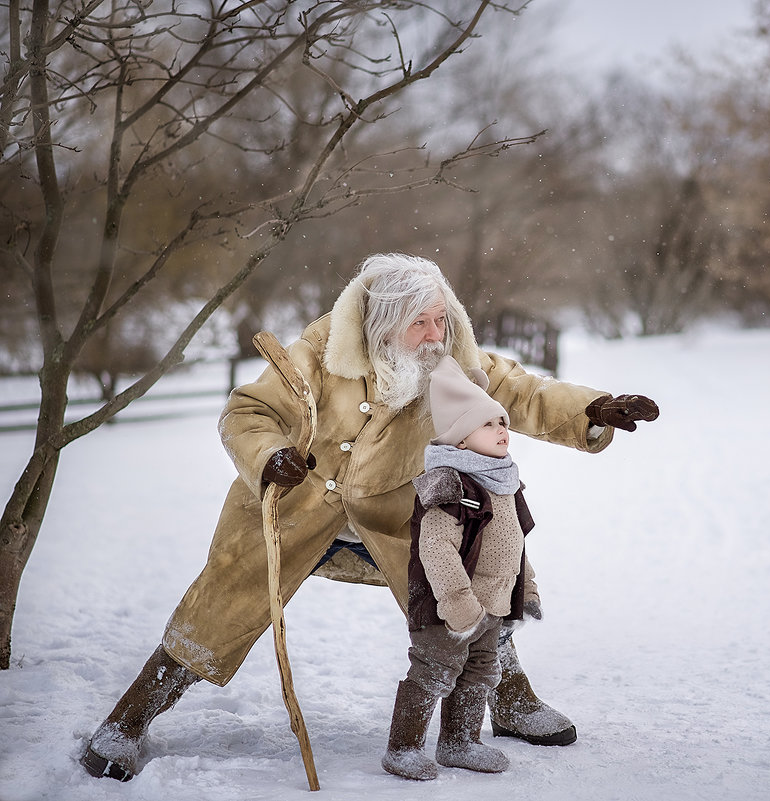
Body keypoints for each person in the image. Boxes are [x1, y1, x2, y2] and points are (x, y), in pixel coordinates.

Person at [80, 253, 660, 781]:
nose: (435, 335)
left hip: (395, 515)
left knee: (472, 583)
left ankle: (509, 699)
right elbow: (247, 413)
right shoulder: (313, 358)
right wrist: (270, 459)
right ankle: (129, 720)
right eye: (419, 323)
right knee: (223, 602)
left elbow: (522, 391)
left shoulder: (452, 363)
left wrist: (592, 408)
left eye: (441, 319)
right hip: (298, 503)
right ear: (382, 323)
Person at [384, 355, 536, 780]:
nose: (502, 430)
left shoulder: (504, 481)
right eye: (488, 424)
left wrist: (528, 590)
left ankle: (459, 742)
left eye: (502, 422)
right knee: (434, 671)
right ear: (461, 439)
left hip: (492, 605)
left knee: (481, 671)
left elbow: (516, 542)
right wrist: (457, 604)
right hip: (447, 609)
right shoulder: (448, 484)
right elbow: (436, 550)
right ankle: (403, 748)